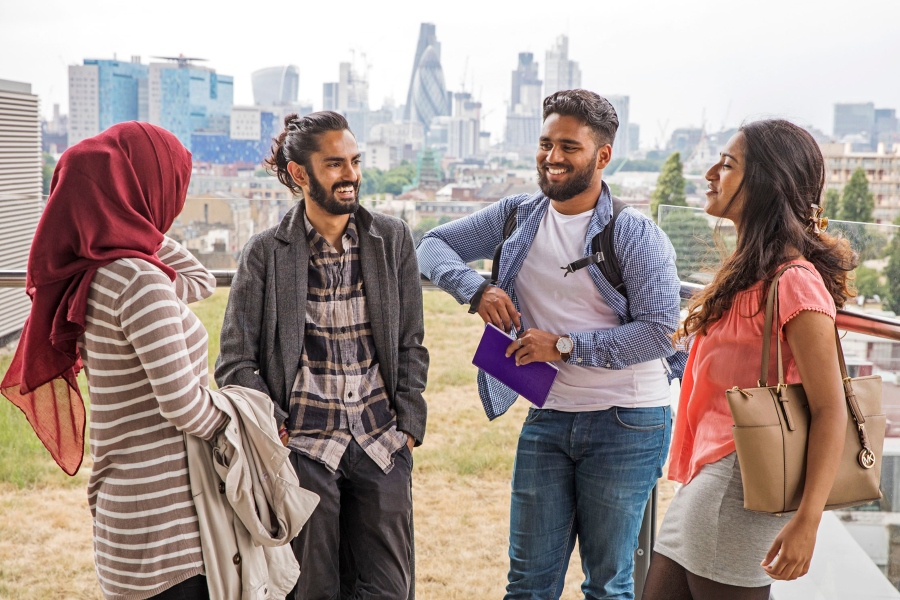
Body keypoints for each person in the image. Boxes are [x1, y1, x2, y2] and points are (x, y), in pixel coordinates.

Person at [417, 89, 683, 600]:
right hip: (549, 413)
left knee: (607, 584)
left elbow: (658, 331)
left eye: (569, 147)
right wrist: (476, 289)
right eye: (545, 144)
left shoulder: (634, 233)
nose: (552, 158)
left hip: (627, 418)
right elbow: (431, 244)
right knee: (528, 583)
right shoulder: (518, 215)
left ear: (602, 156)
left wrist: (563, 346)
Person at [1, 121, 228, 599]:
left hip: (124, 517)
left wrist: (114, 219)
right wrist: (252, 421)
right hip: (168, 530)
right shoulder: (139, 282)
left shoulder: (92, 276)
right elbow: (185, 408)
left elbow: (199, 280)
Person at [215, 111, 428, 600]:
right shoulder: (266, 252)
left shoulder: (391, 240)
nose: (350, 174)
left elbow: (410, 343)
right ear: (299, 174)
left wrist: (409, 428)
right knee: (311, 589)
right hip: (304, 450)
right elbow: (234, 361)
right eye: (334, 164)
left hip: (382, 443)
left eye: (354, 161)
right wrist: (275, 428)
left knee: (389, 590)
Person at [642, 119, 856, 600]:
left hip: (739, 489)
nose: (710, 174)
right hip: (709, 486)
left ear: (764, 183)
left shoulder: (793, 282)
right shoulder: (750, 275)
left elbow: (829, 408)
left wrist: (807, 522)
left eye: (728, 164)